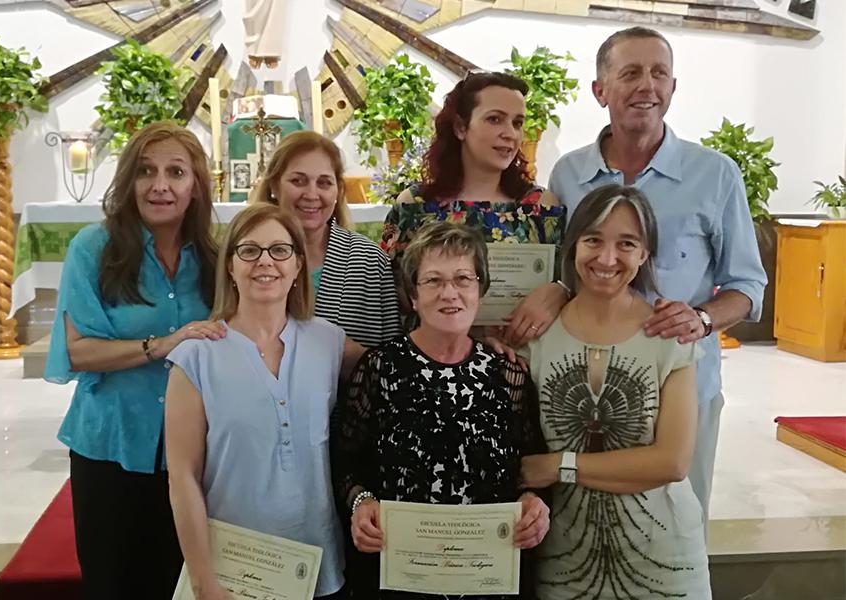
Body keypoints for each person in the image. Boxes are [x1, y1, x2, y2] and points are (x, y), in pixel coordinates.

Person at [545, 26, 767, 527]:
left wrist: (702, 320)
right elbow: (565, 273)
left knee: (676, 524)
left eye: (659, 73)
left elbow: (748, 287)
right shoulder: (567, 175)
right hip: (583, 392)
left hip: (682, 390)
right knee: (582, 527)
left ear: (672, 87)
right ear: (600, 89)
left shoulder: (715, 174)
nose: (647, 86)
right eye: (630, 73)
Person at [44, 120, 225, 599]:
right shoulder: (94, 249)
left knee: (180, 582)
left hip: (190, 454)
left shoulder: (214, 255)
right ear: (129, 180)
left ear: (196, 186)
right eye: (146, 171)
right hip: (111, 445)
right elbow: (78, 351)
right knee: (115, 583)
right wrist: (160, 345)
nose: (160, 185)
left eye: (176, 172)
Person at [335, 221, 550, 600]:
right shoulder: (380, 368)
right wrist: (361, 501)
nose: (450, 292)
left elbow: (530, 468)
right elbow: (344, 462)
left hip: (488, 581)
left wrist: (533, 502)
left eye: (463, 278)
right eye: (433, 281)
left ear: (480, 289)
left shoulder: (508, 374)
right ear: (413, 297)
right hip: (398, 579)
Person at [165, 204, 366, 600]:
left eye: (280, 250)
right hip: (234, 570)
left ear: (297, 267)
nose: (265, 263)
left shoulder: (327, 341)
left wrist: (479, 345)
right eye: (249, 250)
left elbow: (401, 366)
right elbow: (183, 479)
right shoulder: (196, 357)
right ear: (230, 266)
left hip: (316, 563)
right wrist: (204, 580)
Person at [520, 184, 711, 599]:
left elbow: (672, 462)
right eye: (593, 240)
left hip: (664, 558)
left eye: (626, 244)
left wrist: (559, 466)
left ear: (644, 254)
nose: (607, 259)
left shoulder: (670, 336)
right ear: (572, 247)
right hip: (564, 559)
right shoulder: (535, 338)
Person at [380, 71, 569, 342]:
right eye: (495, 119)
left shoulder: (541, 206)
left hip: (519, 362)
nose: (509, 134)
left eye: (517, 123)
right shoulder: (414, 206)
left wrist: (558, 291)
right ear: (460, 127)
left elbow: (568, 282)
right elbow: (390, 294)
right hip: (433, 364)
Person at [254, 130, 401, 347]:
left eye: (324, 183)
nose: (312, 194)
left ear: (338, 191)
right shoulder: (247, 256)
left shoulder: (369, 261)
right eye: (298, 181)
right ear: (274, 186)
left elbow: (389, 356)